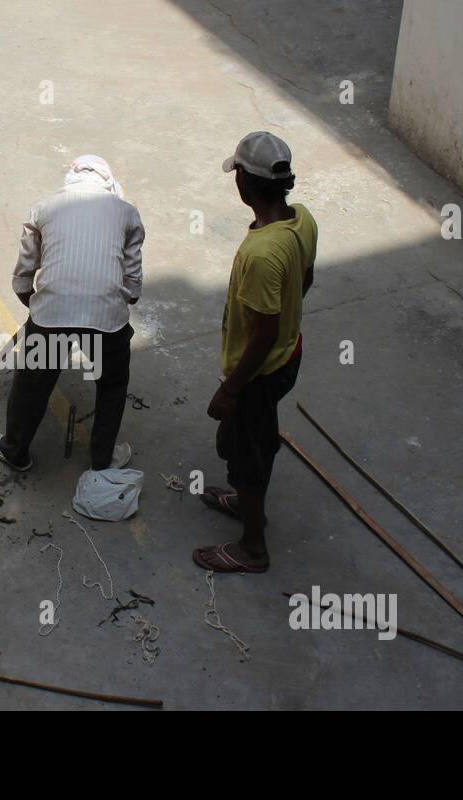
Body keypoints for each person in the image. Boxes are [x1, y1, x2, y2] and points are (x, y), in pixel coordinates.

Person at [194, 132, 317, 573]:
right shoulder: (301, 220)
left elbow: (262, 334)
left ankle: (252, 547)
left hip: (259, 371)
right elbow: (305, 279)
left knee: (244, 453)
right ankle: (246, 499)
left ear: (244, 182)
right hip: (288, 357)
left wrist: (230, 388)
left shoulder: (262, 253)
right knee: (253, 438)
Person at [0, 155, 144, 472]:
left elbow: (23, 277)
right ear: (108, 183)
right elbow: (133, 282)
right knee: (111, 386)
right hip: (107, 318)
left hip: (51, 313)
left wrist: (42, 311)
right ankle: (102, 459)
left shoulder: (44, 208)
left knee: (32, 382)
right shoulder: (127, 213)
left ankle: (15, 451)